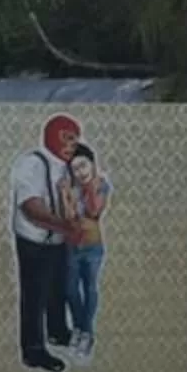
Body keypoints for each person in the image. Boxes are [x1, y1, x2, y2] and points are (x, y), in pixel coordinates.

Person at [9, 115, 79, 372]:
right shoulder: (33, 163)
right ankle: (33, 349)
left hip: (58, 240)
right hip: (34, 241)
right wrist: (65, 226)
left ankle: (57, 332)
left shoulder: (67, 166)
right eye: (67, 138)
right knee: (34, 295)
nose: (71, 145)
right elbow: (31, 208)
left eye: (75, 139)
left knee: (58, 288)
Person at [59, 143, 110, 360]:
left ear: (92, 163)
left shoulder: (101, 185)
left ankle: (86, 333)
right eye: (75, 169)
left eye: (83, 165)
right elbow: (69, 217)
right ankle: (80, 328)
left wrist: (89, 186)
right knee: (70, 290)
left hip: (93, 247)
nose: (80, 172)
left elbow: (94, 211)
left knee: (90, 289)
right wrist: (65, 194)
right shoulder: (72, 188)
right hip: (72, 246)